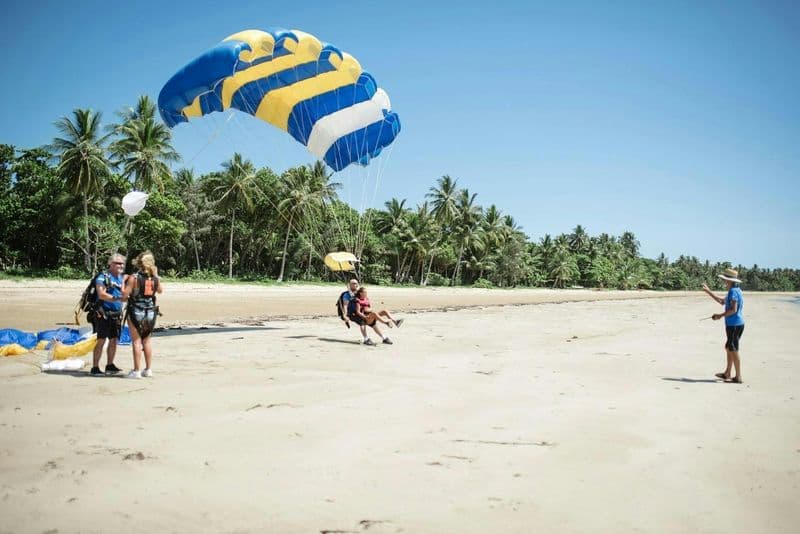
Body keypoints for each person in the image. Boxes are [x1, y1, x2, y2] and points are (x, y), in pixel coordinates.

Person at [122, 251, 163, 379]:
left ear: (139, 263)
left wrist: (123, 282)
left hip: (136, 311)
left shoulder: (134, 278)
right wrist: (156, 276)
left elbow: (124, 296)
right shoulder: (154, 278)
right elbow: (160, 291)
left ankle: (136, 370)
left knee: (136, 341)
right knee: (147, 340)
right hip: (151, 311)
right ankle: (148, 369)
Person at [702, 268, 745, 383]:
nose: (724, 282)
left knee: (733, 349)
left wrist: (720, 315)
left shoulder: (733, 292)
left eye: (725, 280)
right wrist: (709, 292)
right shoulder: (736, 290)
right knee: (728, 347)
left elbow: (733, 310)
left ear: (729, 281)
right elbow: (722, 302)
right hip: (735, 324)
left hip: (734, 325)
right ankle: (727, 373)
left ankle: (738, 376)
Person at [90, 254, 126, 376]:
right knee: (101, 340)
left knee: (114, 340)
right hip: (103, 313)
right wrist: (118, 298)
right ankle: (95, 367)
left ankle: (110, 365)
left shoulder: (121, 278)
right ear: (110, 264)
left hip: (116, 314)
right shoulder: (103, 277)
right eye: (117, 263)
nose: (120, 265)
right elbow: (101, 294)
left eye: (122, 263)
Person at [338, 278, 373, 344]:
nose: (355, 285)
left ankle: (383, 337)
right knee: (362, 321)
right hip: (351, 313)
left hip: (360, 311)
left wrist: (369, 310)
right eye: (353, 283)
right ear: (350, 285)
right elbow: (345, 305)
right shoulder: (346, 294)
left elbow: (365, 301)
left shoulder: (359, 293)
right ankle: (366, 339)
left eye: (356, 283)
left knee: (372, 322)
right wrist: (345, 315)